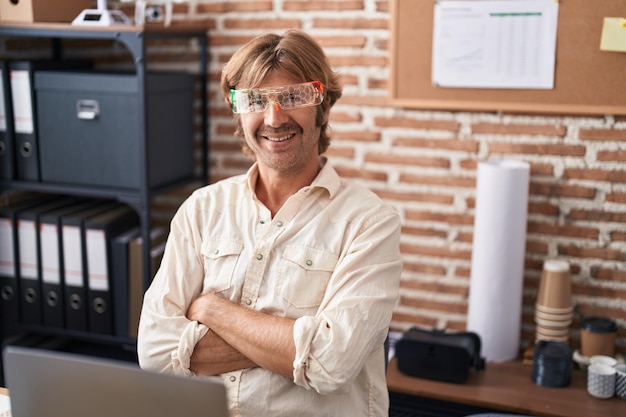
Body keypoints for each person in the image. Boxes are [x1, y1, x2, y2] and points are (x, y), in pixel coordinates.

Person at [137, 29, 402, 417]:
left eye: (292, 97)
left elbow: (331, 364)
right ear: (238, 111)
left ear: (322, 106)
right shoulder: (202, 209)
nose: (274, 118)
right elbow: (155, 353)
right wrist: (291, 344)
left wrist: (214, 311)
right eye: (256, 100)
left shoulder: (369, 223)